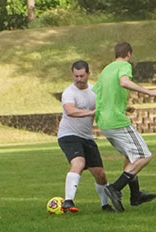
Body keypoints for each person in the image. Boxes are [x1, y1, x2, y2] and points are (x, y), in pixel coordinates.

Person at [93, 42, 156, 212]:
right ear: (129, 54)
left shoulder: (106, 70)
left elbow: (99, 96)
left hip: (104, 123)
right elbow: (124, 82)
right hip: (117, 122)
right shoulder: (124, 65)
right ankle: (115, 188)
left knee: (130, 157)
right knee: (144, 156)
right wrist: (149, 92)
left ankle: (135, 196)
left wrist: (122, 107)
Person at [57, 60, 114, 213]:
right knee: (79, 163)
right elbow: (70, 111)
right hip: (68, 135)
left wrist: (123, 108)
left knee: (100, 174)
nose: (79, 79)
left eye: (82, 76)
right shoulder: (69, 92)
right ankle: (68, 201)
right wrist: (90, 113)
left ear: (88, 74)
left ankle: (105, 205)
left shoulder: (95, 90)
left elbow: (107, 104)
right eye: (76, 76)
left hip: (86, 137)